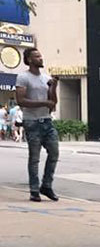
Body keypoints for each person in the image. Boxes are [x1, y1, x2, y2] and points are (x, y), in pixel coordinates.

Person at [15, 48, 60, 202]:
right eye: (37, 56)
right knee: (34, 158)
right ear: (29, 59)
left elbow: (53, 103)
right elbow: (21, 100)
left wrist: (54, 86)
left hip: (47, 120)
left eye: (41, 56)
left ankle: (46, 185)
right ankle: (34, 190)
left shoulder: (45, 78)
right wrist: (43, 102)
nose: (41, 58)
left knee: (54, 153)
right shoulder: (23, 77)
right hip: (31, 122)